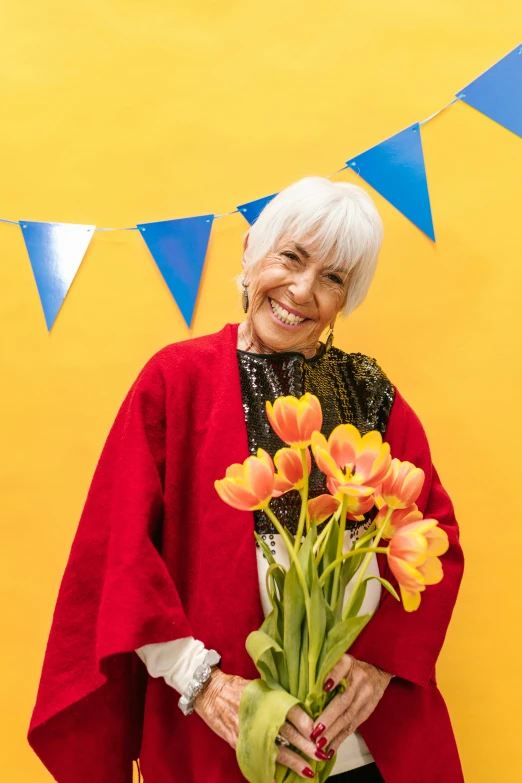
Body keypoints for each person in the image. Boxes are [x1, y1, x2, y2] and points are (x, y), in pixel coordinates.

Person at [28, 177, 465, 783]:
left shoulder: (370, 390)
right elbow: (119, 554)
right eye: (291, 257)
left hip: (363, 751)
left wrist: (381, 666)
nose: (303, 290)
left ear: (346, 299)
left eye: (334, 278)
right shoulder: (175, 381)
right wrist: (202, 684)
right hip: (219, 741)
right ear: (251, 253)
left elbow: (435, 534)